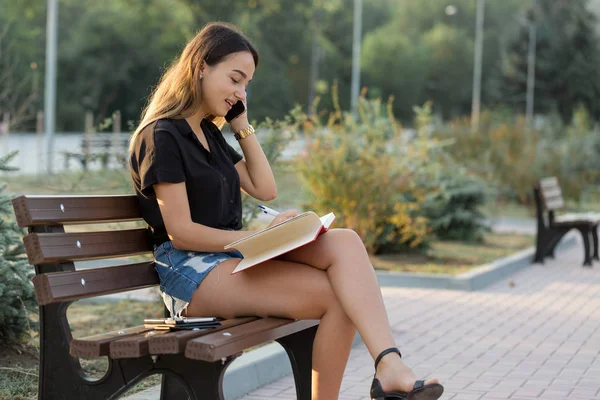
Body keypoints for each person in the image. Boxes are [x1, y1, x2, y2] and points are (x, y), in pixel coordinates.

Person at [129, 22, 444, 400]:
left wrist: (240, 124)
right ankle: (380, 373)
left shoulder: (209, 134)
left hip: (225, 260)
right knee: (338, 298)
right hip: (188, 272)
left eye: (246, 85)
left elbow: (265, 188)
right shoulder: (161, 135)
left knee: (344, 242)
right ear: (200, 66)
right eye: (235, 79)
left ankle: (389, 363)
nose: (240, 92)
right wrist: (259, 238)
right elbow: (182, 232)